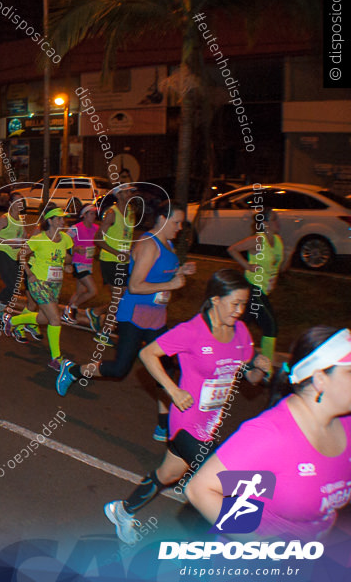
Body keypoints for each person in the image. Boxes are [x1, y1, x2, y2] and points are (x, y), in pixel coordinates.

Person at [103, 269, 272, 545]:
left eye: (243, 304)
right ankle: (242, 545)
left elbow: (249, 376)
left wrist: (260, 368)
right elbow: (147, 354)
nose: (240, 311)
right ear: (216, 299)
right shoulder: (192, 331)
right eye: (235, 303)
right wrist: (173, 390)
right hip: (185, 419)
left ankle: (121, 511)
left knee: (168, 474)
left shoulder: (239, 332)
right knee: (220, 484)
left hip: (211, 422)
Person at [187, 326, 351, 541]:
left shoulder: (346, 424)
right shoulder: (271, 435)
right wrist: (257, 544)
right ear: (320, 378)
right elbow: (200, 489)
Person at [56, 204, 198, 445]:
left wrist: (179, 271)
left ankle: (163, 426)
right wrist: (170, 285)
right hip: (133, 316)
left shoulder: (167, 244)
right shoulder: (148, 245)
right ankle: (73, 370)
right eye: (176, 222)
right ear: (162, 219)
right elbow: (135, 286)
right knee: (120, 369)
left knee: (165, 369)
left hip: (156, 318)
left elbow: (159, 274)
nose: (179, 228)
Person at [4, 208, 74, 370]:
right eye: (59, 219)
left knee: (44, 319)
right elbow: (20, 255)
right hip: (39, 282)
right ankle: (56, 358)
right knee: (55, 319)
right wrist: (29, 273)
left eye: (63, 219)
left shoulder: (65, 239)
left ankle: (12, 321)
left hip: (55, 283)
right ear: (50, 221)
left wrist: (67, 265)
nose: (62, 222)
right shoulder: (38, 239)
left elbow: (67, 258)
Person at [227, 207, 291, 368]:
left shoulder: (277, 242)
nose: (278, 222)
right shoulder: (258, 240)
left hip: (265, 291)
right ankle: (266, 371)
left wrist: (289, 257)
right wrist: (247, 265)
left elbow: (280, 268)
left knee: (238, 326)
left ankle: (224, 351)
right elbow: (232, 249)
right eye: (274, 219)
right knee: (271, 327)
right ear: (266, 223)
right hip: (252, 288)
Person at [89, 183, 140, 337]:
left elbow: (127, 236)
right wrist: (117, 253)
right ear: (118, 195)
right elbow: (98, 240)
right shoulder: (112, 213)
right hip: (110, 261)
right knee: (119, 298)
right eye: (127, 192)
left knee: (123, 298)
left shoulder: (131, 213)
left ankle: (96, 312)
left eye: (132, 191)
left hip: (124, 262)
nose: (130, 194)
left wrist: (132, 252)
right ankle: (103, 333)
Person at [0, 191, 28, 321]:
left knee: (15, 287)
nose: (19, 204)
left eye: (21, 201)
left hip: (16, 256)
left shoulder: (21, 219)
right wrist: (8, 241)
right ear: (10, 203)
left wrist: (25, 241)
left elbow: (24, 236)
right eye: (17, 201)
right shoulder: (5, 218)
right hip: (3, 254)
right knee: (11, 285)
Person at [62, 204, 100, 323]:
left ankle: (68, 312)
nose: (94, 216)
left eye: (95, 213)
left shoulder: (96, 228)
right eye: (91, 213)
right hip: (78, 263)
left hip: (89, 263)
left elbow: (99, 242)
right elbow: (63, 242)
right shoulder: (76, 228)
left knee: (80, 291)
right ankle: (72, 308)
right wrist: (75, 249)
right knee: (93, 291)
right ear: (84, 215)